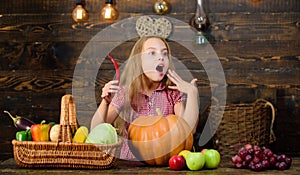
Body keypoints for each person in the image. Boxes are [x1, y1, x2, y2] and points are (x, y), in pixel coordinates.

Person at [91, 36, 199, 160]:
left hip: (163, 165)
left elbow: (188, 130)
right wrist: (105, 102)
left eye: (164, 54)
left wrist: (192, 94)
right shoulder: (125, 93)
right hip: (128, 165)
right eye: (152, 53)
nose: (160, 57)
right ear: (138, 61)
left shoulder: (172, 93)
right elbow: (95, 129)